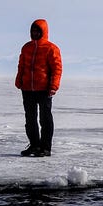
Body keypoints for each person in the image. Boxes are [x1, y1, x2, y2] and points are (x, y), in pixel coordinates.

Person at [15, 19, 62, 157]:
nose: (34, 33)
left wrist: (53, 86)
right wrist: (19, 81)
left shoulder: (51, 48)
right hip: (28, 89)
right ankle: (34, 145)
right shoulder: (26, 47)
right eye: (33, 31)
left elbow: (57, 69)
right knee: (30, 120)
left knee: (45, 119)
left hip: (44, 89)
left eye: (37, 31)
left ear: (43, 32)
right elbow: (21, 66)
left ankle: (45, 148)